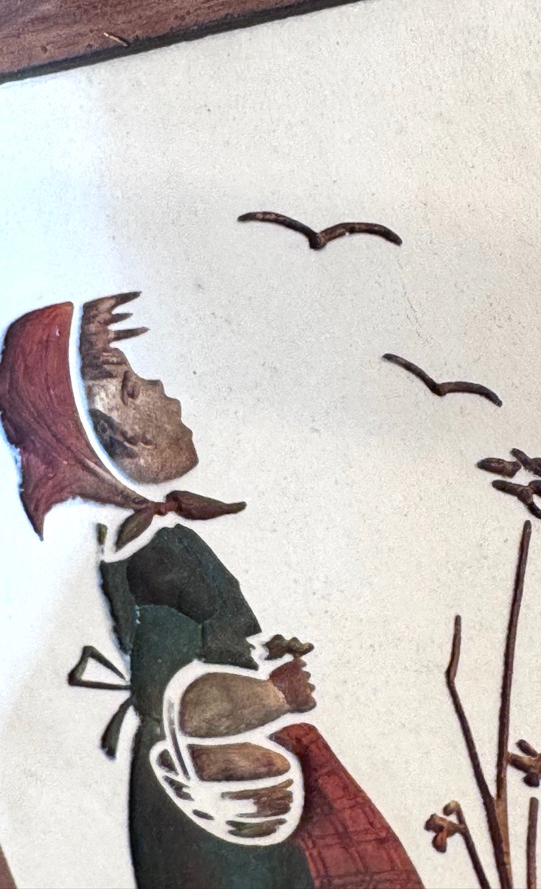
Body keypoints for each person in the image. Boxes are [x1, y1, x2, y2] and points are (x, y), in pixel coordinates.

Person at [0, 297, 423, 889]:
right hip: (210, 800)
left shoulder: (143, 541)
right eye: (131, 387)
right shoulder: (155, 554)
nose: (160, 389)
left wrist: (258, 659)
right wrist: (274, 695)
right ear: (109, 436)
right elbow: (174, 698)